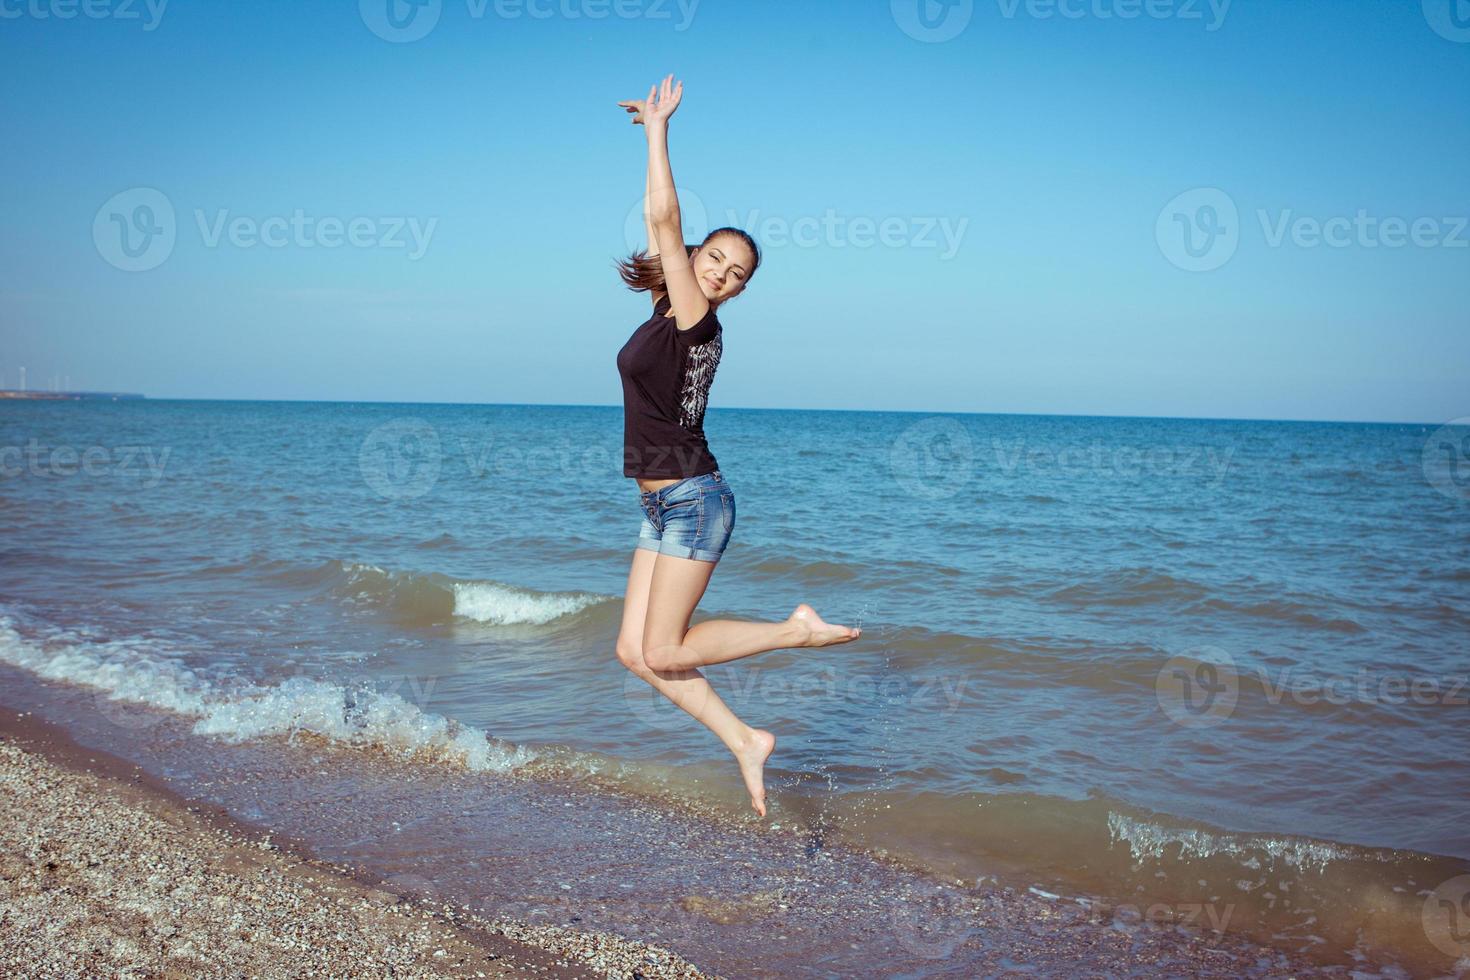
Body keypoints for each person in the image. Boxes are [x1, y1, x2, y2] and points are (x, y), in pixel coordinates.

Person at [613, 75, 861, 818]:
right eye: (715, 258)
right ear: (698, 257)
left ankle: (794, 631)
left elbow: (663, 218)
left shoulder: (696, 320)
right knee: (634, 653)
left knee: (663, 650)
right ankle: (747, 740)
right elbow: (665, 241)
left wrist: (658, 132)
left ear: (735, 291)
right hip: (663, 508)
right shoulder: (668, 306)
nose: (721, 272)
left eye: (735, 273)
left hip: (693, 499)